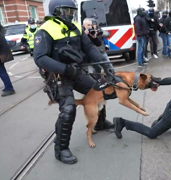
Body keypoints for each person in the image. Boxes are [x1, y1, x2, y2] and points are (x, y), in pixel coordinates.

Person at [33, 0, 115, 164]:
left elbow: (89, 48)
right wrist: (64, 69)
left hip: (76, 72)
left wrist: (106, 65)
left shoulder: (76, 27)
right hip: (58, 76)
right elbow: (40, 58)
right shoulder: (44, 31)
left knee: (100, 90)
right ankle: (61, 149)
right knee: (69, 108)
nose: (69, 15)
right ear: (56, 12)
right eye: (66, 11)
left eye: (71, 12)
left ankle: (99, 123)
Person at [82, 17, 114, 131]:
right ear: (84, 25)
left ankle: (101, 122)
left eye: (92, 24)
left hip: (94, 63)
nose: (91, 26)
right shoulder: (79, 33)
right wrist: (85, 35)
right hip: (85, 66)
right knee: (91, 95)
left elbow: (97, 44)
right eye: (89, 25)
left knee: (100, 91)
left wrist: (93, 36)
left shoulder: (92, 33)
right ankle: (94, 122)